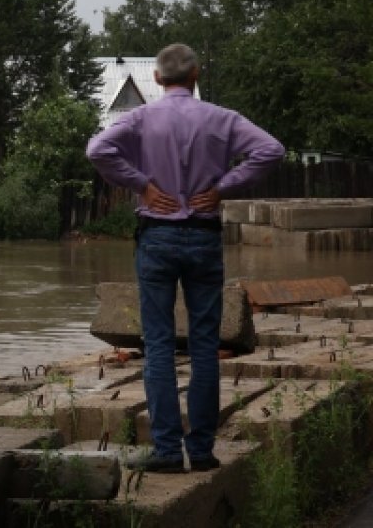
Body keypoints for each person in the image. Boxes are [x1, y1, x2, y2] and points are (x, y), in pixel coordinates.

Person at [86, 43, 283, 473]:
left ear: (156, 79)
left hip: (156, 237)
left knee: (157, 345)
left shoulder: (139, 118)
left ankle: (168, 453)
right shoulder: (222, 118)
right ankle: (204, 450)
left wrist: (141, 183)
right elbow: (271, 150)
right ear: (195, 75)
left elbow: (98, 151)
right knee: (205, 346)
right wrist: (223, 186)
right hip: (203, 235)